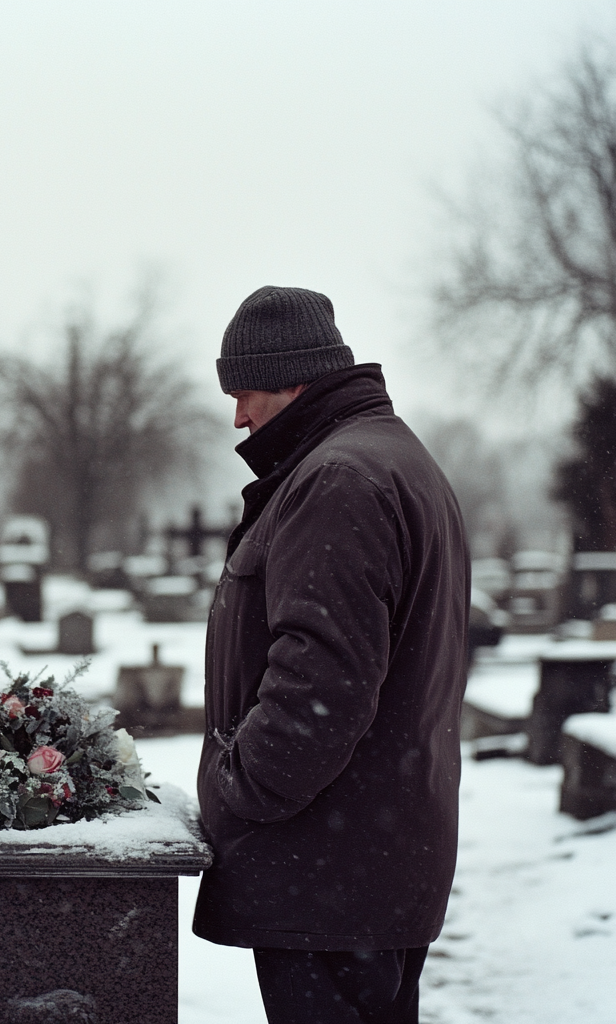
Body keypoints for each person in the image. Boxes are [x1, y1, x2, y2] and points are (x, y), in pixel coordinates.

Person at [194, 286, 469, 1024]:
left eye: (246, 392)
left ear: (293, 377)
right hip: (359, 864)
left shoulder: (340, 481)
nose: (238, 417)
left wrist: (237, 786)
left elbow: (322, 685)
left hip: (329, 872)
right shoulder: (378, 461)